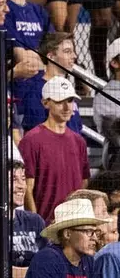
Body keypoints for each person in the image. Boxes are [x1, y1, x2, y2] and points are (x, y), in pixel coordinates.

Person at [21, 76, 89, 217]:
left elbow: (83, 183)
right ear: (45, 103)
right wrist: (36, 224)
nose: (66, 107)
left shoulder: (79, 141)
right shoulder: (31, 140)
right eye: (59, 102)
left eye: (70, 101)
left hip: (73, 222)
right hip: (45, 225)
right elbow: (27, 188)